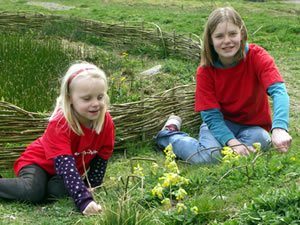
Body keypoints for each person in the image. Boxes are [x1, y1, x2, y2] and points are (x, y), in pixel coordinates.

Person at [155, 7, 292, 164]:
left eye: (232, 34)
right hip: (220, 124)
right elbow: (211, 116)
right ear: (211, 40)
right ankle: (169, 135)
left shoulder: (258, 56)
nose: (227, 41)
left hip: (252, 126)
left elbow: (279, 91)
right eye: (219, 36)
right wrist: (233, 143)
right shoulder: (205, 71)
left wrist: (279, 128)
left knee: (263, 140)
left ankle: (227, 149)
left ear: (241, 33)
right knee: (208, 157)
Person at [0, 61, 115, 215]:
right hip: (38, 163)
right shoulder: (60, 123)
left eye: (100, 97)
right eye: (87, 99)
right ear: (70, 99)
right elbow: (64, 164)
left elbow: (102, 158)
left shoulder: (105, 122)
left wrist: (92, 186)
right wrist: (84, 201)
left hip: (61, 174)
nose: (95, 104)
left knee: (58, 192)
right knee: (32, 191)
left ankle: (41, 188)